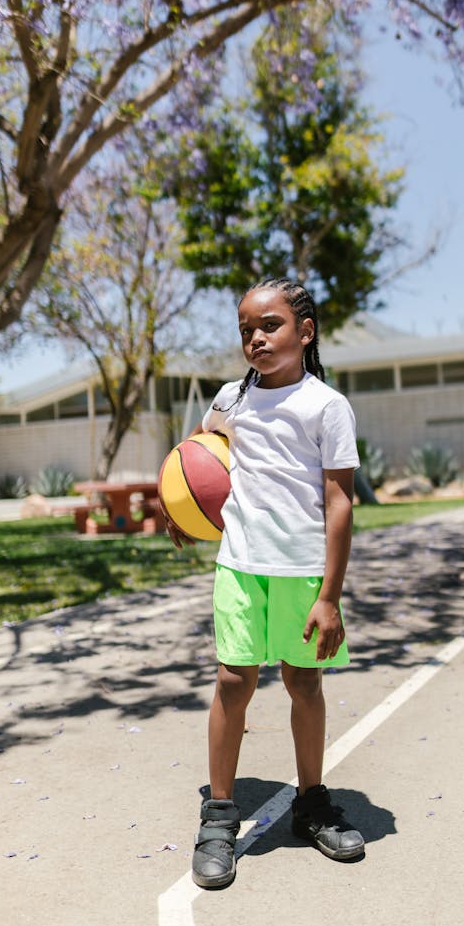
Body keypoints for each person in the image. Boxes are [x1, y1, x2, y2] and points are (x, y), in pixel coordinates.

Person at [164, 276, 365, 889]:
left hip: (304, 570)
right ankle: (220, 814)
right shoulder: (232, 399)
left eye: (270, 325)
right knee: (233, 681)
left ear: (305, 332)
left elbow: (340, 503)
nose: (256, 337)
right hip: (241, 563)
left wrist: (329, 596)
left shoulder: (325, 406)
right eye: (246, 329)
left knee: (304, 681)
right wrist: (178, 505)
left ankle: (310, 802)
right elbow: (202, 457)